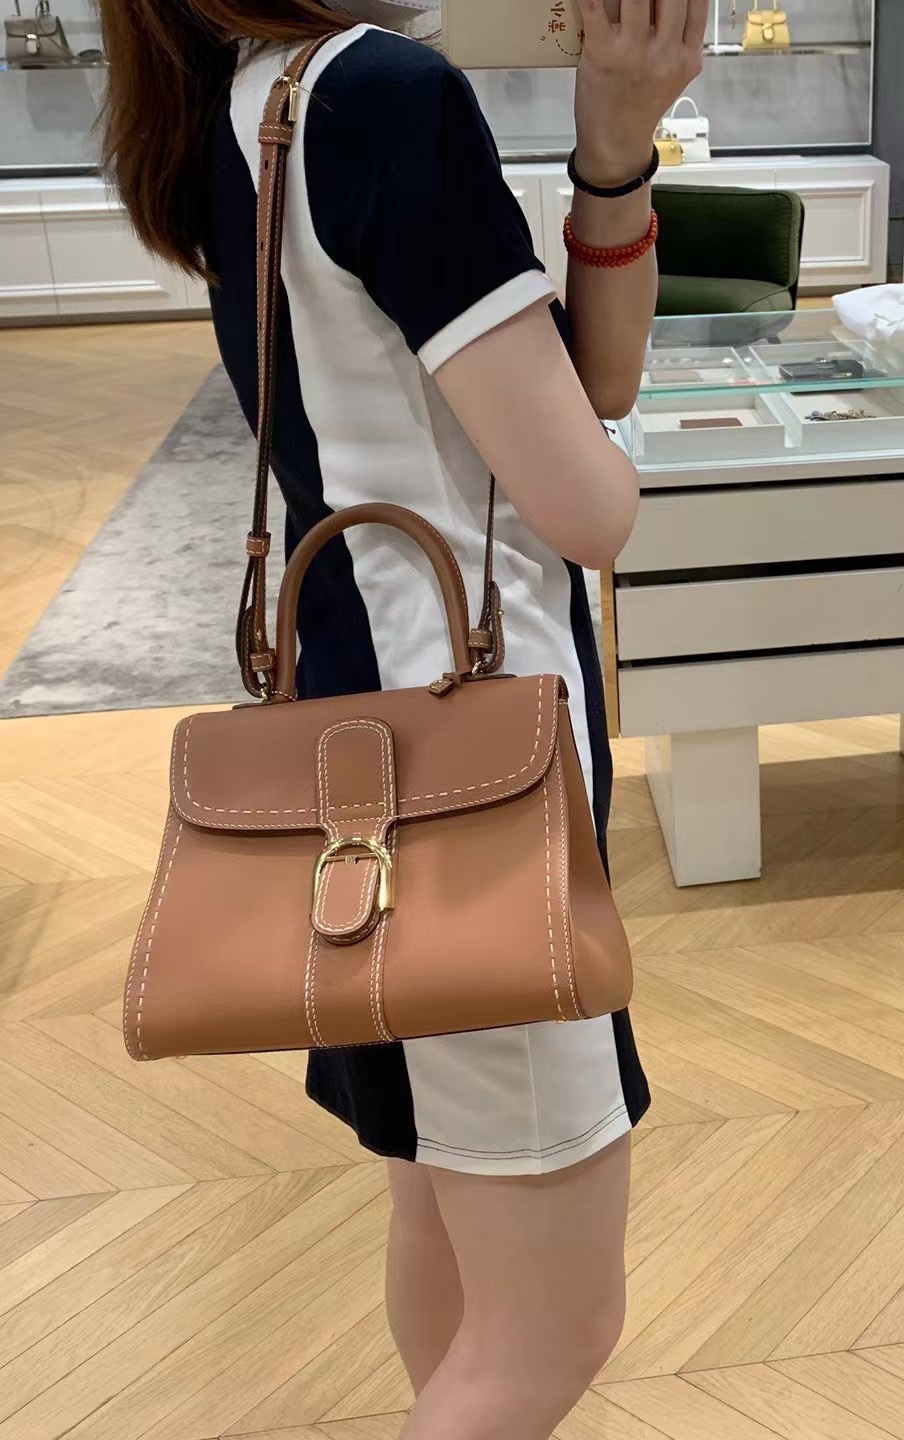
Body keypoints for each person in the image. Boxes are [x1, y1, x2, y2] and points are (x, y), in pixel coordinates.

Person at [100, 2, 704, 1434]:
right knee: (553, 1326)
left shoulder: (251, 98)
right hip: (473, 782)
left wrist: (614, 147)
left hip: (370, 751)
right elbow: (590, 504)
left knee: (444, 1213)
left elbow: (589, 383)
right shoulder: (382, 94)